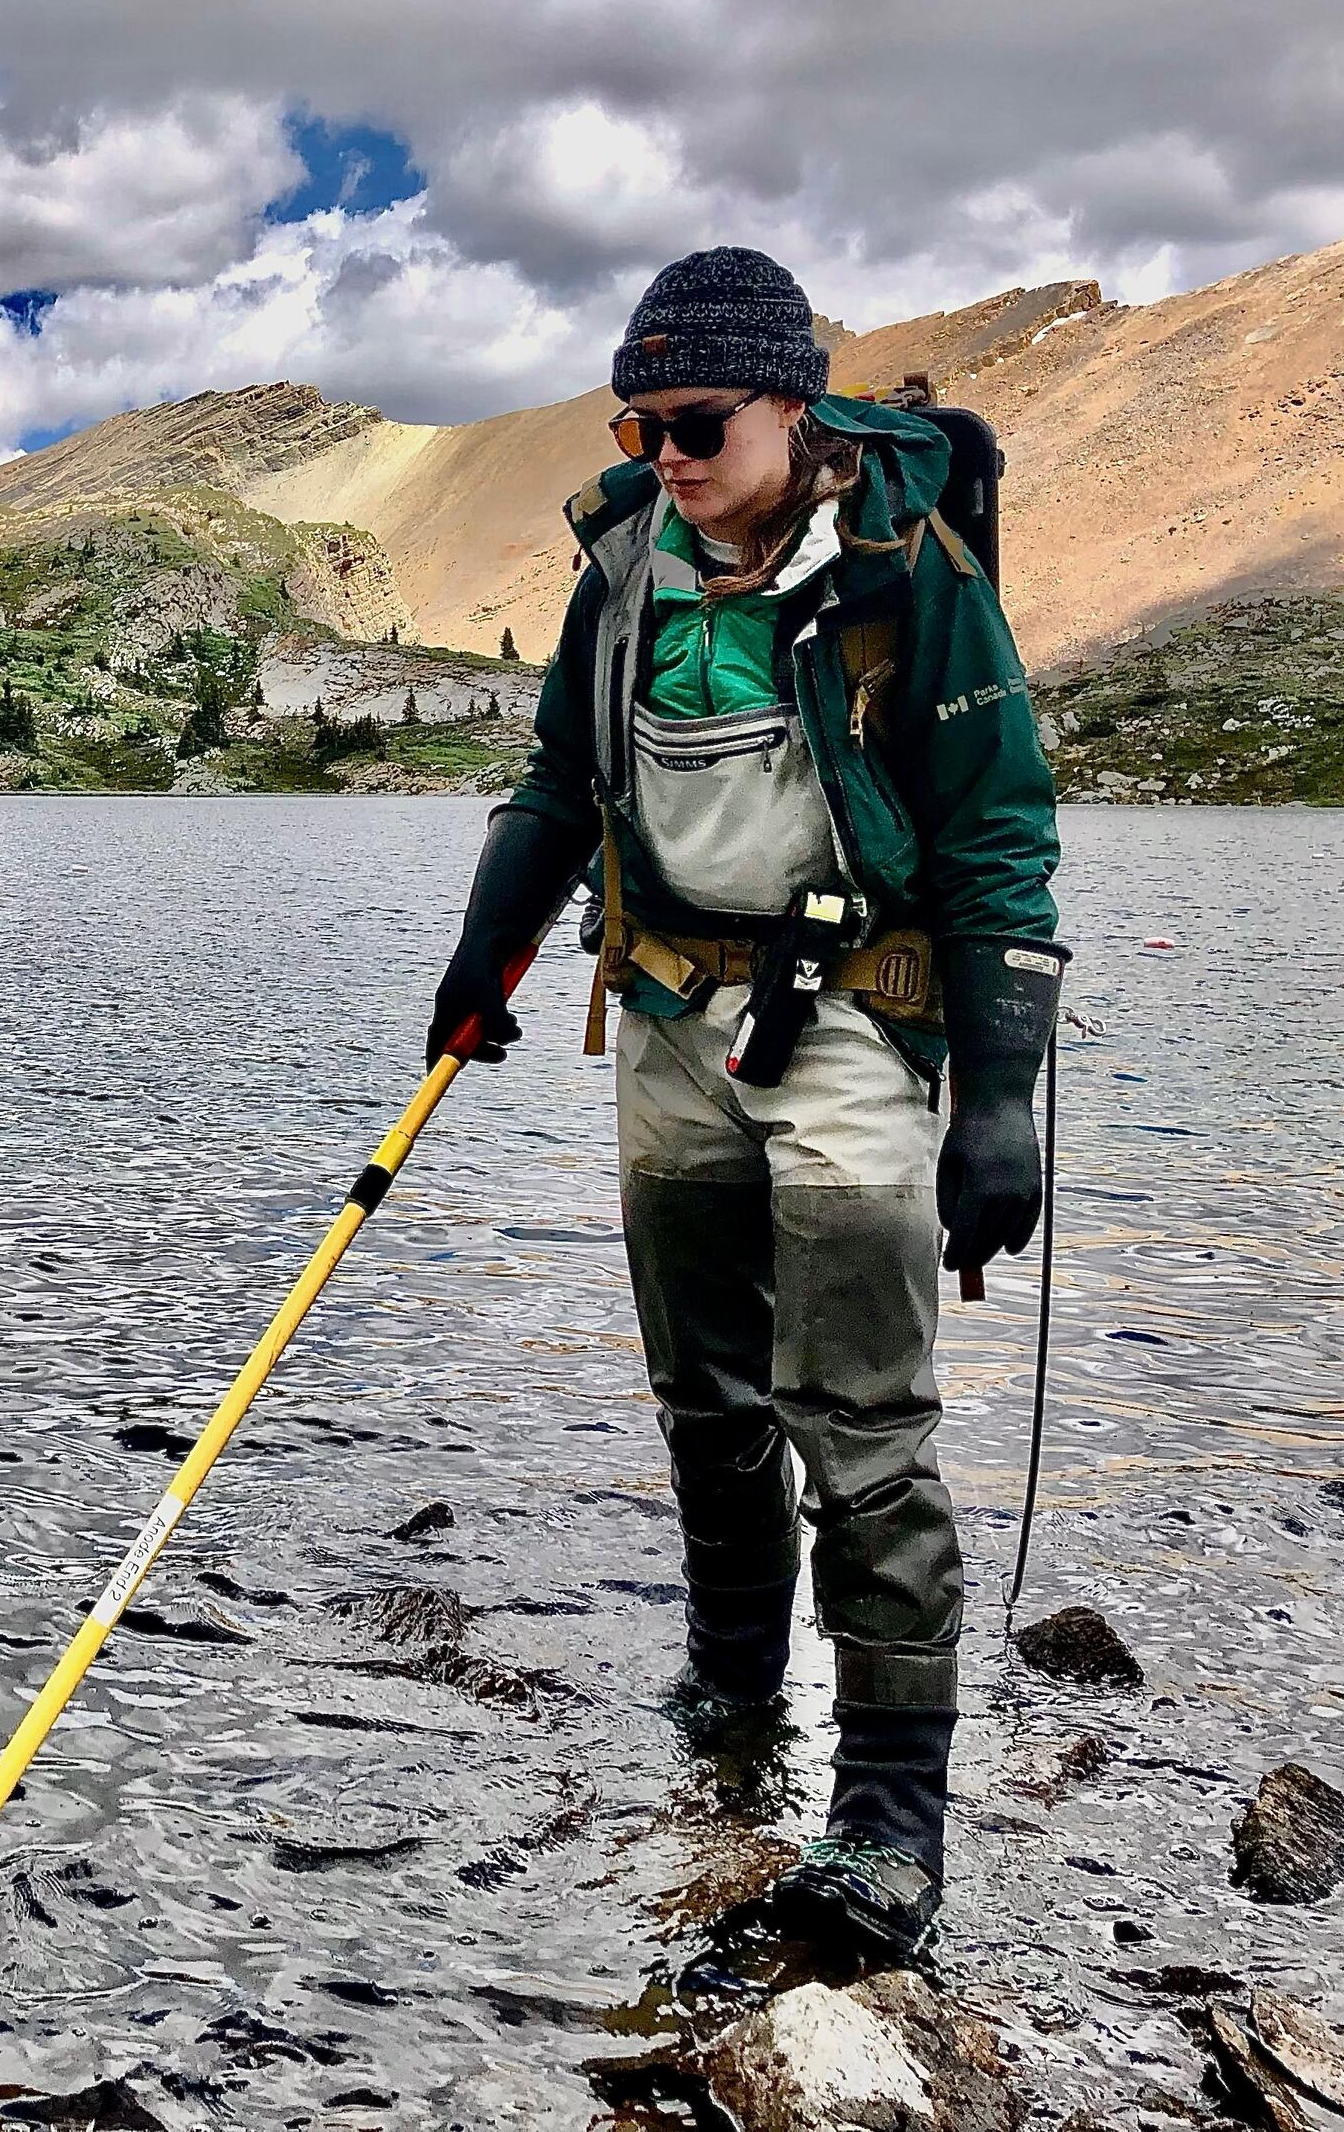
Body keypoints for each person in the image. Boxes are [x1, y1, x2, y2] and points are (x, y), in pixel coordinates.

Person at [424, 247, 1064, 1960]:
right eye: (638, 422)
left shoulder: (910, 570)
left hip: (855, 1018)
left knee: (855, 1414)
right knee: (701, 1394)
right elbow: (562, 777)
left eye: (696, 422)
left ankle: (888, 1817)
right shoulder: (626, 554)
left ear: (792, 397)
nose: (664, 454)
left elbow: (1002, 835)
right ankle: (729, 1691)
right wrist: (480, 960)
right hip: (662, 1008)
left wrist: (1001, 1098)